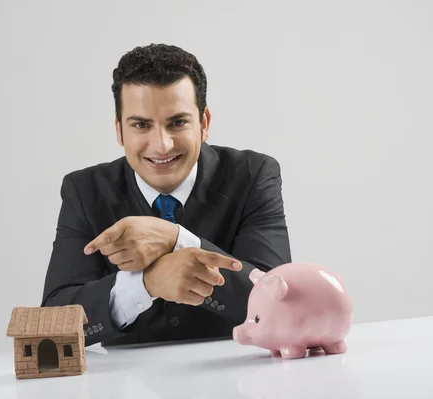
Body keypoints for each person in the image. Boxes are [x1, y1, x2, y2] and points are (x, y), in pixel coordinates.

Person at [41, 43, 292, 347]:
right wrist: (145, 284)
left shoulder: (254, 175)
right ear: (120, 131)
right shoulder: (84, 190)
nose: (161, 145)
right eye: (141, 125)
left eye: (177, 123)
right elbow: (53, 324)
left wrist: (175, 239)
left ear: (204, 123)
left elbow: (280, 304)